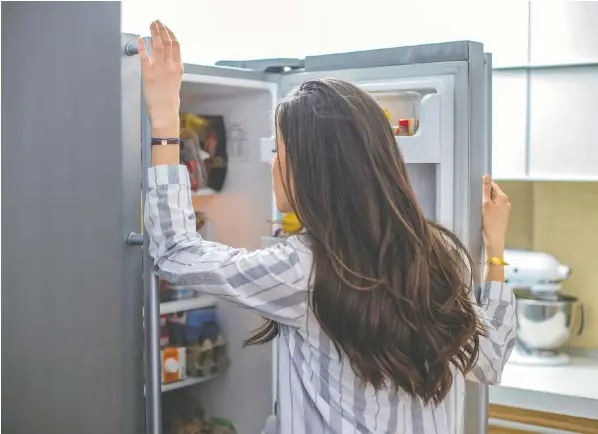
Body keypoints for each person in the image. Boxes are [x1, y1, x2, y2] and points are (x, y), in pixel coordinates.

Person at [139, 21, 516, 434]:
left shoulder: (304, 269)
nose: (272, 164)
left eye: (278, 152)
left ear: (314, 171)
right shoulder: (438, 255)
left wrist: (164, 125)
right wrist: (495, 249)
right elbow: (491, 358)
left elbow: (175, 253)